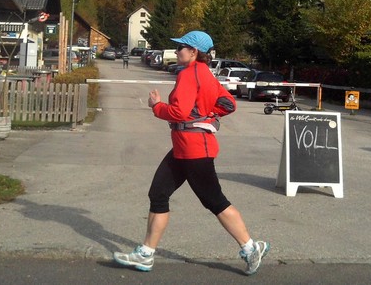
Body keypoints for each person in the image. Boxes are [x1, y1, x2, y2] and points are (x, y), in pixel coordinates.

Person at [114, 30, 269, 275]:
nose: (176, 51)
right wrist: (206, 114)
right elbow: (228, 104)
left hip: (195, 150)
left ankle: (251, 248)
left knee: (215, 201)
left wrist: (157, 106)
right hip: (184, 147)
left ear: (194, 52)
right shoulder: (205, 73)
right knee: (158, 193)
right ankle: (146, 254)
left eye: (180, 47)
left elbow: (179, 112)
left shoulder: (189, 74)